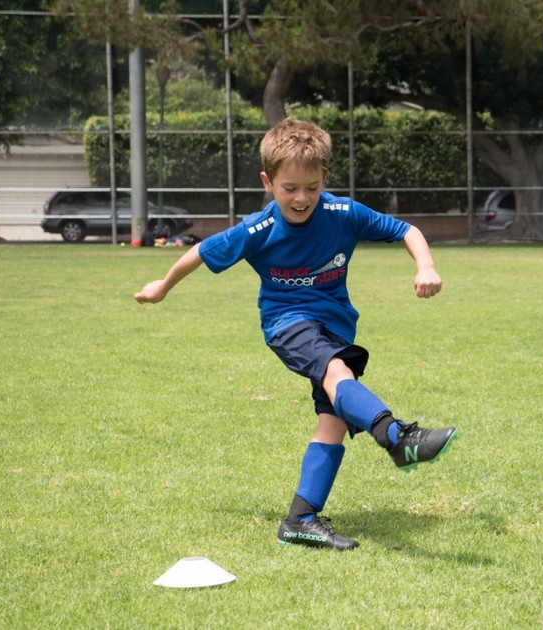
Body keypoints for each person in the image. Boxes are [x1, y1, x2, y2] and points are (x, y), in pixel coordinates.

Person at [134, 117, 456, 551]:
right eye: (289, 188)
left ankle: (300, 519)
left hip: (336, 327)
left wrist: (426, 265)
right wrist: (162, 287)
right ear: (268, 182)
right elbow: (199, 252)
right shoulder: (258, 229)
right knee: (336, 370)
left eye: (312, 187)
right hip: (288, 324)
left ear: (325, 178)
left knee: (334, 420)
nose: (301, 198)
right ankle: (396, 436)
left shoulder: (344, 213)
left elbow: (406, 230)